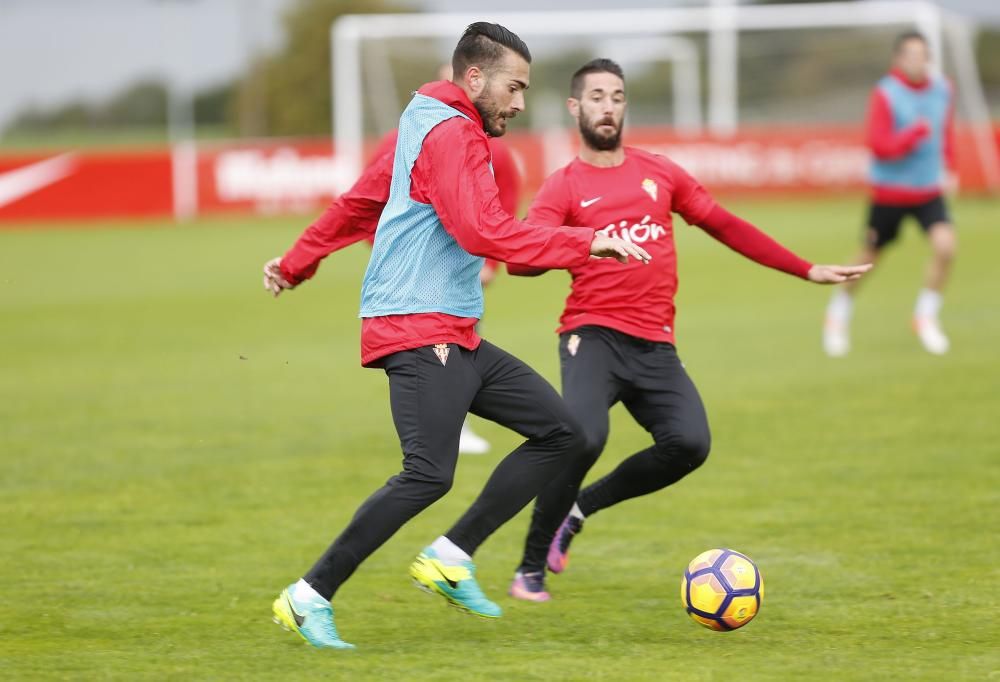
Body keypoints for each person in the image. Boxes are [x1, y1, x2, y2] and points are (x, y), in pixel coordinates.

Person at [262, 24, 651, 649]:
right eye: (514, 87)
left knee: (561, 432)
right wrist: (584, 242)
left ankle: (450, 556)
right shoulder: (450, 133)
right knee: (428, 474)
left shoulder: (425, 125)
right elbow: (481, 230)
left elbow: (361, 203)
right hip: (417, 328)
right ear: (475, 78)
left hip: (453, 331)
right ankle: (307, 597)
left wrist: (295, 262)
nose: (520, 103)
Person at [501, 59, 870, 602]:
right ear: (576, 108)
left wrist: (805, 268)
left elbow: (725, 225)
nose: (609, 106)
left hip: (655, 343)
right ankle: (530, 568)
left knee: (689, 444)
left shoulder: (660, 172)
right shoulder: (563, 187)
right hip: (592, 334)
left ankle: (579, 510)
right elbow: (522, 262)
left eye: (618, 96)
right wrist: (576, 242)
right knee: (583, 437)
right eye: (597, 97)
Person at [353, 65, 526, 455]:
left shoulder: (492, 146)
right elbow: (364, 206)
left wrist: (491, 263)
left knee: (463, 345)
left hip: (462, 276)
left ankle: (453, 427)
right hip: (410, 293)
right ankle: (440, 434)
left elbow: (506, 201)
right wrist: (392, 257)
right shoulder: (403, 139)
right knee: (427, 471)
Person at [823, 31, 957, 357]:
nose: (918, 61)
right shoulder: (886, 93)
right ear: (898, 59)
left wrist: (949, 167)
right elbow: (879, 146)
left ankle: (925, 316)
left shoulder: (943, 90)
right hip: (890, 193)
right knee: (868, 259)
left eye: (923, 54)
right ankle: (838, 313)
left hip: (927, 191)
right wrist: (912, 135)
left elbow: (945, 132)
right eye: (911, 55)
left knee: (946, 247)